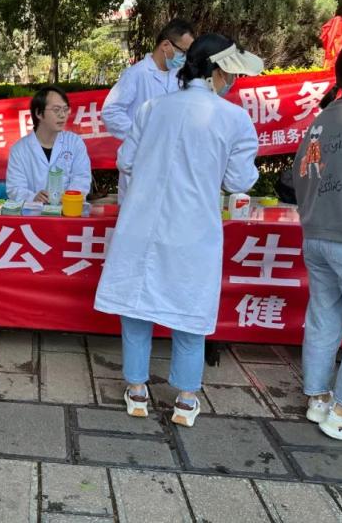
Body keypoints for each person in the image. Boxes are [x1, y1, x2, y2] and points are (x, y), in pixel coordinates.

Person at [94, 34, 263, 427]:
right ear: (219, 71)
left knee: (136, 306)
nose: (233, 80)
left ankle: (137, 391)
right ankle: (186, 399)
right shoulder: (234, 118)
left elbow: (126, 160)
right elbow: (239, 180)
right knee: (190, 308)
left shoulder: (153, 108)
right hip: (192, 230)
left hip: (142, 222)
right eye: (232, 73)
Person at [292, 40, 342, 442]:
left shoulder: (320, 120)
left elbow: (299, 176)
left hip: (316, 234)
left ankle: (318, 398)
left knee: (324, 317)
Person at [102, 18, 195, 202]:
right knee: (137, 211)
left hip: (171, 163)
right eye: (183, 52)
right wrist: (141, 135)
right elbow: (110, 112)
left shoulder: (180, 77)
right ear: (166, 45)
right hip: (139, 160)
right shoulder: (137, 74)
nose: (185, 58)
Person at [6, 85, 92, 203]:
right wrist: (32, 197)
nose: (62, 115)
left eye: (65, 109)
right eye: (56, 110)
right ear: (39, 113)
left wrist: (67, 197)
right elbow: (15, 188)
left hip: (68, 209)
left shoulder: (75, 143)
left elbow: (82, 179)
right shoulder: (19, 149)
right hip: (34, 211)